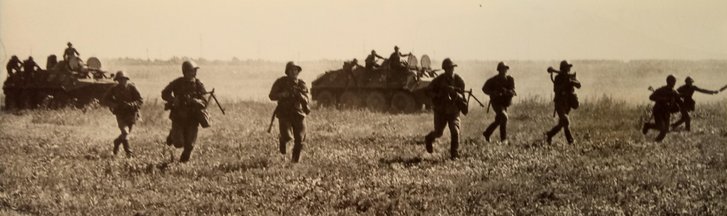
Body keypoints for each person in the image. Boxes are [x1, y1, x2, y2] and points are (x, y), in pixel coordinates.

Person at [162, 60, 209, 163]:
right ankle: (172, 134)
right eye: (191, 71)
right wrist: (174, 99)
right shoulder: (177, 82)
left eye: (194, 71)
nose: (194, 73)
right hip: (178, 117)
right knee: (178, 143)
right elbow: (164, 93)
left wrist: (196, 101)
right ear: (185, 72)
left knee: (190, 146)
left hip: (193, 118)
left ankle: (182, 163)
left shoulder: (198, 84)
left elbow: (205, 101)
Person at [424, 58, 466, 160]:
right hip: (440, 111)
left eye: (452, 68)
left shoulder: (459, 81)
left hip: (453, 111)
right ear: (445, 69)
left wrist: (455, 94)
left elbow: (463, 97)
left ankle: (454, 155)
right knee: (438, 133)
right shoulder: (438, 80)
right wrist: (439, 94)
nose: (450, 70)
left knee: (455, 131)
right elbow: (428, 91)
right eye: (448, 68)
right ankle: (429, 139)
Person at [269, 61, 310, 163]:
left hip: (299, 114)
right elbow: (271, 96)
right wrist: (283, 95)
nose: (294, 72)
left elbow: (307, 99)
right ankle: (282, 139)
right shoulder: (280, 82)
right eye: (291, 70)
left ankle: (294, 162)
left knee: (300, 141)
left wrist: (300, 96)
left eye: (295, 70)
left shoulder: (301, 84)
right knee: (287, 137)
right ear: (287, 72)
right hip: (284, 113)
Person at [103, 71, 143, 157]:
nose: (122, 81)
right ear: (117, 80)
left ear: (127, 79)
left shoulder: (132, 88)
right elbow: (105, 99)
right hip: (120, 113)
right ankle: (129, 153)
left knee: (126, 134)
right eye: (119, 80)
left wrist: (131, 104)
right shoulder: (114, 88)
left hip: (132, 113)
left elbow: (140, 100)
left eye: (123, 79)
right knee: (125, 132)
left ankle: (117, 142)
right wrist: (115, 105)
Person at [545, 60, 581, 145]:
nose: (568, 69)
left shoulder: (571, 77)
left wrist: (572, 82)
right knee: (565, 120)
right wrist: (566, 83)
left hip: (568, 103)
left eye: (568, 68)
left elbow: (579, 85)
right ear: (562, 69)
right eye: (566, 68)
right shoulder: (558, 78)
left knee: (562, 124)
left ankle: (549, 134)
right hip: (560, 103)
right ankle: (571, 141)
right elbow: (556, 89)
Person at [482, 62, 516, 144]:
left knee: (499, 120)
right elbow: (484, 89)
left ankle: (487, 133)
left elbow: (513, 91)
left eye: (505, 69)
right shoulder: (493, 80)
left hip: (505, 103)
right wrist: (493, 93)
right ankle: (503, 139)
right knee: (504, 117)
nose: (504, 70)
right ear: (499, 70)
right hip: (496, 103)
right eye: (502, 69)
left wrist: (507, 91)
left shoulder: (510, 79)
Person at [643, 75, 682, 142]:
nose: (674, 83)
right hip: (658, 111)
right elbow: (651, 97)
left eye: (674, 81)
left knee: (665, 130)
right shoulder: (661, 90)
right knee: (663, 129)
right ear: (668, 81)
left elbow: (680, 101)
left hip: (666, 112)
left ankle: (648, 125)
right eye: (673, 81)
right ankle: (655, 143)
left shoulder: (674, 92)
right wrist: (662, 99)